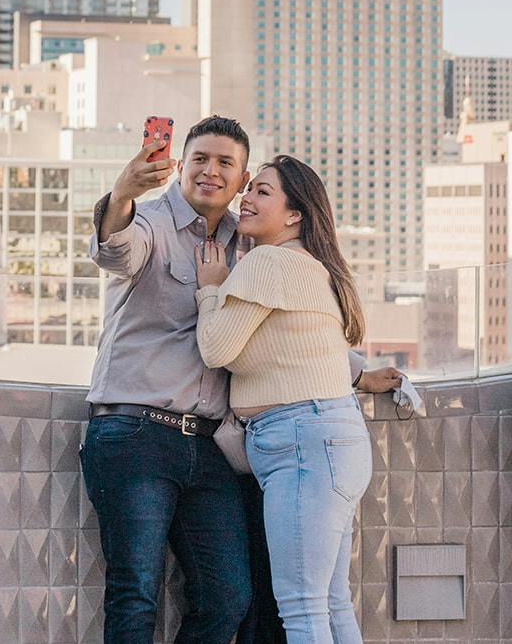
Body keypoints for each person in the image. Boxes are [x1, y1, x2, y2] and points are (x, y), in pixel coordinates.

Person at [83, 116, 397, 644]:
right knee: (136, 591)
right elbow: (114, 249)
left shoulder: (250, 241)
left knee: (228, 597)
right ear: (181, 164)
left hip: (209, 446)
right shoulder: (150, 223)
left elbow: (282, 333)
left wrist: (359, 372)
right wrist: (121, 195)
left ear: (242, 177)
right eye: (201, 159)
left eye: (227, 164)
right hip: (135, 433)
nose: (212, 171)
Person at [195, 155, 371, 644]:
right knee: (331, 605)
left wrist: (210, 289)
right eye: (248, 188)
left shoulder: (269, 261)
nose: (245, 198)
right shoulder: (312, 265)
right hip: (330, 439)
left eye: (262, 192)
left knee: (302, 608)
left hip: (302, 443)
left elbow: (215, 348)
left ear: (295, 214)